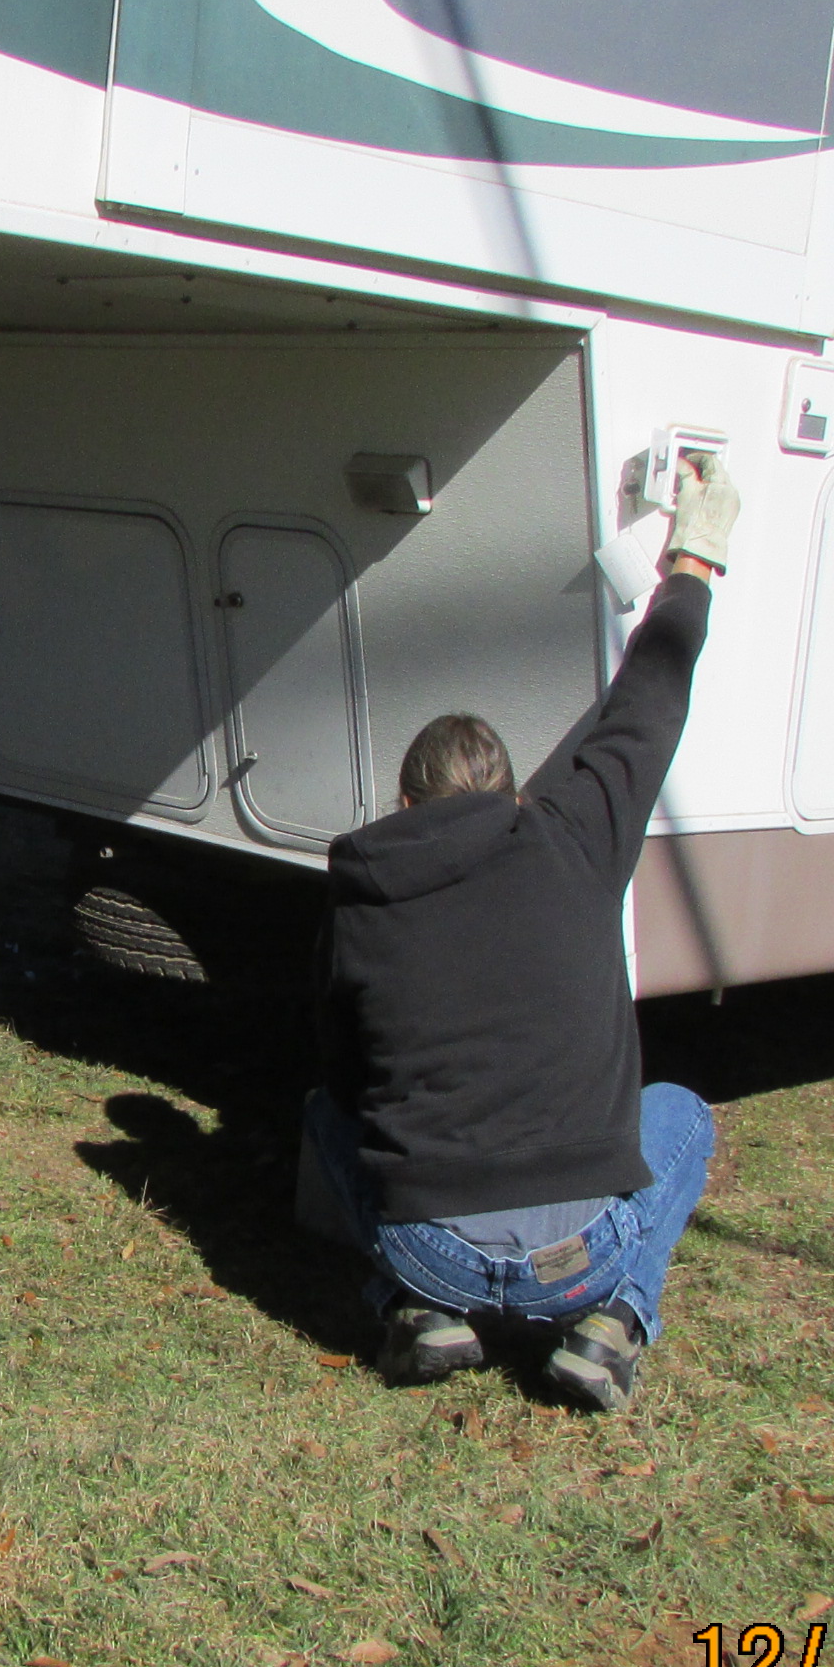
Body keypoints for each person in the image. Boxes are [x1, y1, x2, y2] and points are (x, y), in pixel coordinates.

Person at [306, 463, 738, 1410]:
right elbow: (648, 707)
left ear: (407, 802)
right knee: (683, 1112)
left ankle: (417, 1308)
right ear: (510, 793)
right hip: (581, 1257)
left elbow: (345, 1074)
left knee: (326, 1118)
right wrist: (694, 561)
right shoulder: (575, 837)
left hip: (430, 1247)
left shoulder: (362, 893)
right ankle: (613, 1321)